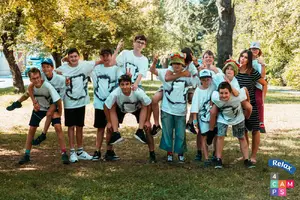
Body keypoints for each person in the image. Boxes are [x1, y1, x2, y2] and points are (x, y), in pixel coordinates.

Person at [56, 48, 105, 163]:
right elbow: (51, 73)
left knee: (80, 126)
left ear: (79, 57)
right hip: (69, 102)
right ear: (68, 58)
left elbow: (100, 61)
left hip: (81, 102)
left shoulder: (85, 65)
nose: (73, 58)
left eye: (75, 56)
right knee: (71, 127)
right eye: (71, 57)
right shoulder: (62, 69)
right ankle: (72, 151)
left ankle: (80, 151)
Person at [152, 52, 197, 163]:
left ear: (183, 65)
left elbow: (196, 81)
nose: (177, 65)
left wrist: (191, 63)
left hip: (180, 111)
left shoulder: (186, 76)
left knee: (180, 133)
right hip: (167, 109)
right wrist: (154, 62)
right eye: (174, 63)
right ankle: (169, 153)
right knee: (167, 132)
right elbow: (153, 71)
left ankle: (180, 152)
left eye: (179, 64)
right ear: (171, 64)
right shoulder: (166, 73)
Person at [18, 68, 69, 165]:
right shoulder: (31, 87)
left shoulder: (47, 85)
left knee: (58, 128)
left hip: (52, 107)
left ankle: (64, 153)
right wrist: (34, 103)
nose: (36, 80)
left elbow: (58, 100)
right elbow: (29, 93)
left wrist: (60, 113)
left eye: (37, 77)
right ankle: (27, 154)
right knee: (32, 129)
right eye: (33, 78)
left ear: (40, 77)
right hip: (40, 108)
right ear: (30, 79)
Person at [104, 74, 156, 163]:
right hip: (121, 109)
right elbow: (106, 106)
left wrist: (147, 120)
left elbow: (148, 104)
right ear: (119, 85)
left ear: (131, 84)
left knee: (147, 128)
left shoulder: (137, 92)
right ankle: (109, 152)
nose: (125, 87)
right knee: (109, 128)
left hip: (137, 108)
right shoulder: (116, 92)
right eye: (122, 84)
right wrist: (109, 122)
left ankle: (152, 154)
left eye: (127, 84)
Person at [150, 47, 199, 136]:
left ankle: (190, 122)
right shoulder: (174, 64)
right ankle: (156, 124)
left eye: (188, 61)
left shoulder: (191, 65)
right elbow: (167, 77)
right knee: (155, 99)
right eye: (185, 60)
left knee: (195, 99)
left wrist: (195, 64)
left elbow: (196, 79)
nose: (186, 63)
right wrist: (181, 74)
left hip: (185, 87)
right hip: (169, 87)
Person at [211, 82, 255, 169]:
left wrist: (248, 102)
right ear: (218, 92)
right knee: (220, 136)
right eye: (221, 93)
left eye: (226, 93)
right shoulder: (215, 97)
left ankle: (246, 159)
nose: (223, 95)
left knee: (241, 137)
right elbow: (212, 100)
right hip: (223, 118)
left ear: (230, 92)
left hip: (238, 117)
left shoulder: (237, 96)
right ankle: (218, 159)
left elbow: (245, 89)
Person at [236, 49, 268, 164]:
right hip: (239, 106)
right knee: (243, 130)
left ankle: (253, 156)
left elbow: (264, 84)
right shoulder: (236, 70)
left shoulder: (253, 72)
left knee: (255, 130)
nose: (242, 59)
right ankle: (245, 155)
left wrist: (263, 98)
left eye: (245, 57)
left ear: (249, 60)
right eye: (241, 56)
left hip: (252, 104)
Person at [90, 48, 121, 161]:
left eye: (108, 55)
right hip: (99, 104)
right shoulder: (96, 69)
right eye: (103, 55)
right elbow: (81, 65)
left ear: (111, 56)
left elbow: (122, 82)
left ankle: (109, 151)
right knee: (100, 128)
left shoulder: (116, 69)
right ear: (100, 57)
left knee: (111, 128)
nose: (106, 58)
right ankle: (97, 151)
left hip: (112, 105)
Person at [190, 69, 216, 166]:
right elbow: (195, 108)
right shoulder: (198, 91)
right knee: (203, 136)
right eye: (203, 80)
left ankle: (215, 154)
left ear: (211, 79)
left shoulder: (213, 86)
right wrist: (195, 121)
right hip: (203, 117)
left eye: (208, 79)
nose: (206, 82)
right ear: (200, 80)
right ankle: (206, 158)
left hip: (213, 116)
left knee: (214, 135)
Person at [249, 41, 267, 133]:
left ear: (259, 50)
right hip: (248, 83)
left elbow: (263, 76)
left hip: (258, 84)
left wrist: (263, 65)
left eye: (256, 49)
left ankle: (261, 122)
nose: (254, 51)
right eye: (253, 49)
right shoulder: (247, 59)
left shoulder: (260, 61)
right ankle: (248, 122)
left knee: (259, 102)